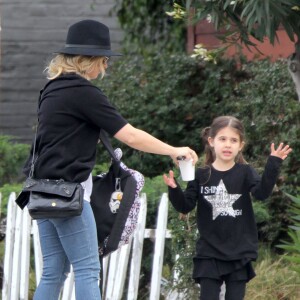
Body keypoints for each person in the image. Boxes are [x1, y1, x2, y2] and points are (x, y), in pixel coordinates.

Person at [23, 19, 198, 300]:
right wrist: (172, 150)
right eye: (104, 61)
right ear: (89, 60)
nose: (105, 67)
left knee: (54, 271)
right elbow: (130, 136)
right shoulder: (83, 92)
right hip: (68, 194)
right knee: (88, 268)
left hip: (42, 191)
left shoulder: (51, 90)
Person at [163, 116, 292, 300]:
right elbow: (185, 205)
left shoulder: (245, 172)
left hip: (239, 251)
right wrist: (174, 189)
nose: (228, 144)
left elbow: (262, 193)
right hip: (209, 252)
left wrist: (273, 163)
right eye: (222, 139)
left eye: (233, 140)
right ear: (211, 141)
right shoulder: (200, 175)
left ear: (240, 145)